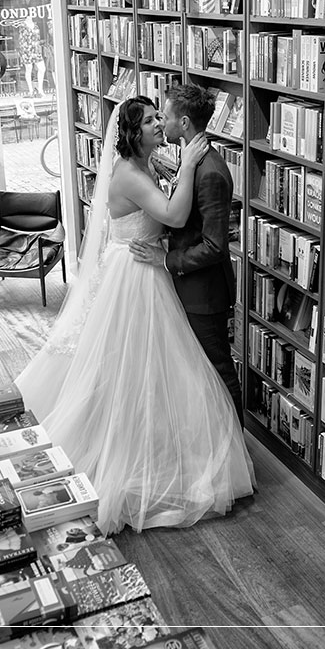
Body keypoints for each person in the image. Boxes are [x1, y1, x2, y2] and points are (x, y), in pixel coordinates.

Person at [15, 95, 255, 535]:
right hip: (135, 275)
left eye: (159, 116)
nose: (158, 124)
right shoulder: (131, 173)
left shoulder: (145, 166)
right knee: (132, 369)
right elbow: (174, 213)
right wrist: (185, 168)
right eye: (149, 120)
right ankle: (134, 449)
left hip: (149, 268)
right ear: (131, 133)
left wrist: (175, 174)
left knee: (158, 369)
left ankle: (170, 444)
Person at [130, 84, 242, 424]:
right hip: (190, 287)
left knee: (219, 370)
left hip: (205, 292)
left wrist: (164, 260)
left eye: (164, 115)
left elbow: (213, 245)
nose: (161, 122)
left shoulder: (209, 172)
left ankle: (237, 448)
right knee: (199, 369)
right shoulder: (194, 159)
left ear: (185, 122)